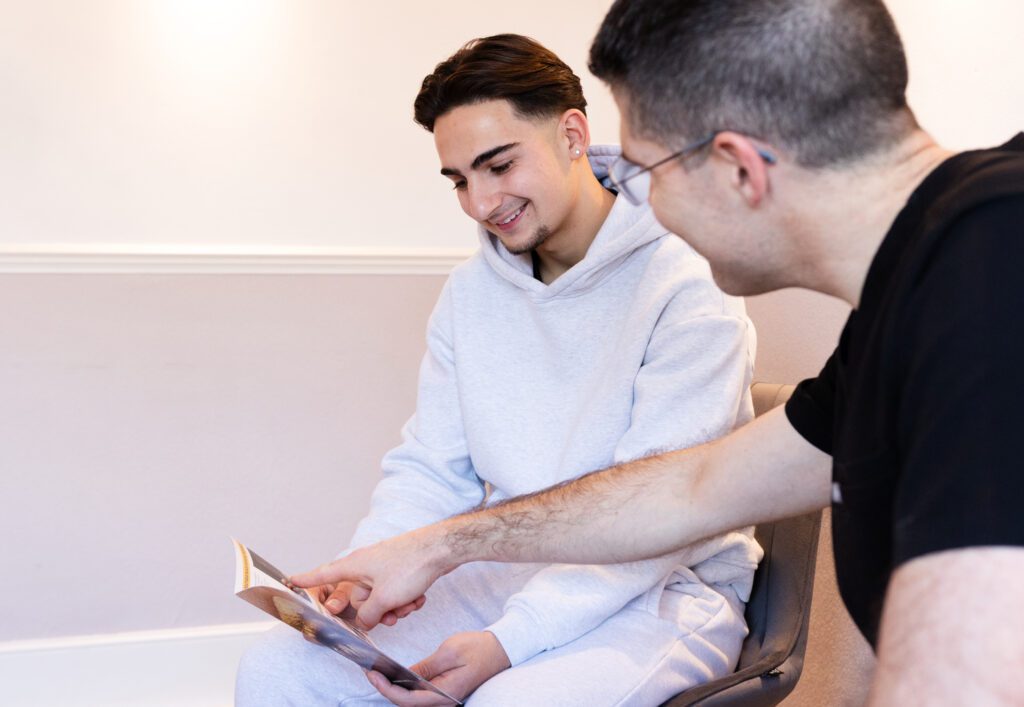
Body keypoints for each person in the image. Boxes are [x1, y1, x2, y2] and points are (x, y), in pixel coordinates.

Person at [292, 1, 1024, 704]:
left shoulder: (987, 282)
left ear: (739, 165)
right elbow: (693, 486)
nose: (648, 206)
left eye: (647, 172)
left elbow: (964, 680)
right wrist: (434, 546)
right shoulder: (910, 298)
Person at [237, 34, 763, 706]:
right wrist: (363, 578)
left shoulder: (688, 279)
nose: (481, 202)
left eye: (498, 165)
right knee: (278, 670)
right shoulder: (469, 294)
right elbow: (432, 469)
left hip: (665, 585)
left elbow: (662, 515)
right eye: (459, 179)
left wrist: (511, 642)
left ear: (572, 134)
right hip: (510, 563)